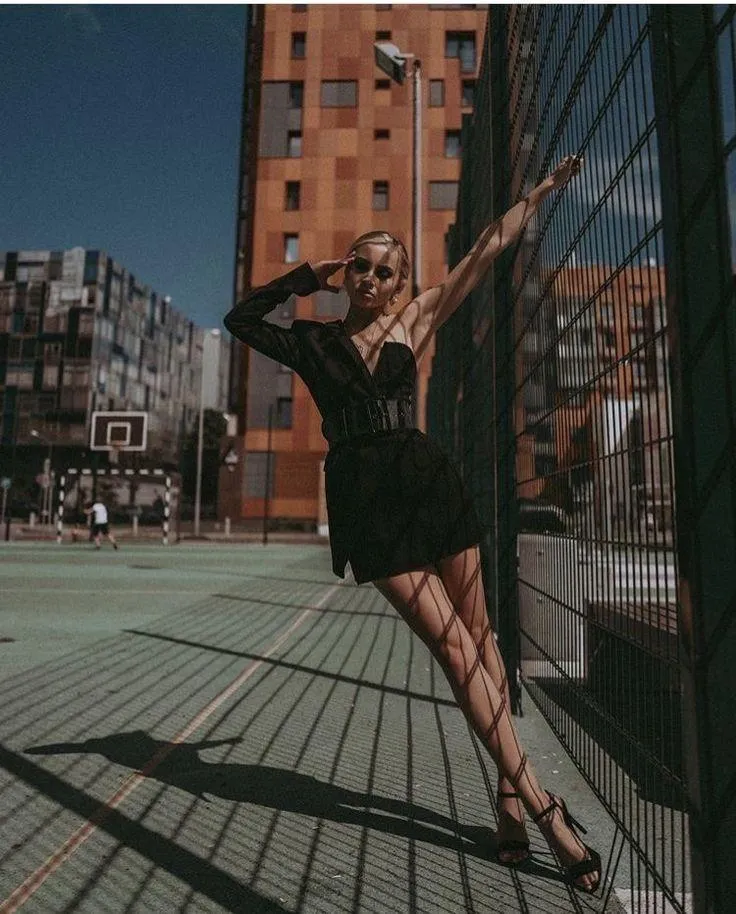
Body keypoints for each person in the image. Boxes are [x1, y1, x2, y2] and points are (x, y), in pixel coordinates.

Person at [224, 155, 600, 893]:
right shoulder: (311, 341)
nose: (369, 279)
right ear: (348, 275)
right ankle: (545, 807)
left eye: (384, 270)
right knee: (456, 652)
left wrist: (543, 191)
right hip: (368, 505)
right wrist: (307, 275)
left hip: (431, 486)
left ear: (400, 284)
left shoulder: (415, 321)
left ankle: (505, 799)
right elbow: (241, 319)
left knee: (481, 639)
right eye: (360, 267)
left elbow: (487, 247)